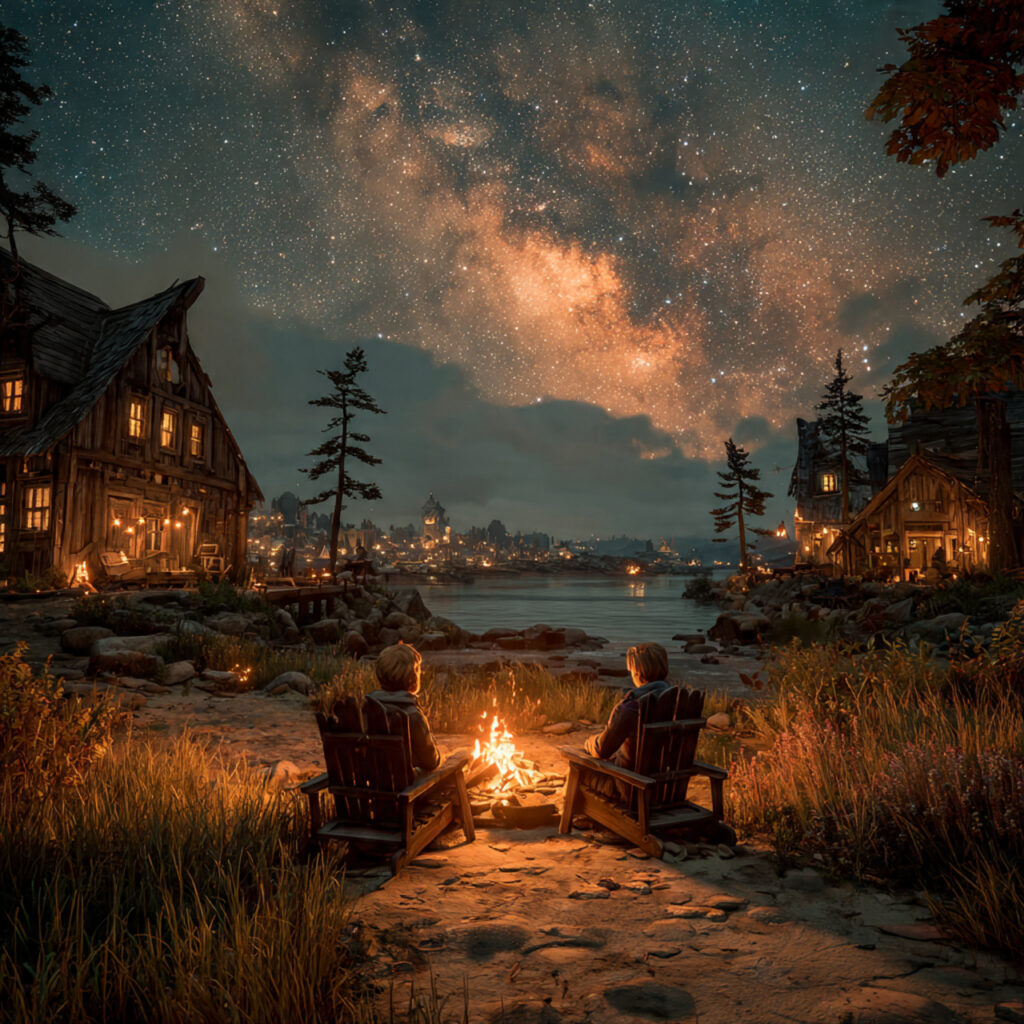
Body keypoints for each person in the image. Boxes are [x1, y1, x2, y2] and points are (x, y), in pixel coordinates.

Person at [585, 641, 672, 770]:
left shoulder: (632, 707)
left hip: (631, 779)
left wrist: (589, 742)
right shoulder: (678, 701)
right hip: (669, 778)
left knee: (580, 761)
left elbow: (602, 750)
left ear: (637, 673)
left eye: (631, 670)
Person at [364, 644, 440, 771]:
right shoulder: (413, 715)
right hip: (405, 779)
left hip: (373, 775)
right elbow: (430, 762)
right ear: (413, 679)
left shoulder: (367, 708)